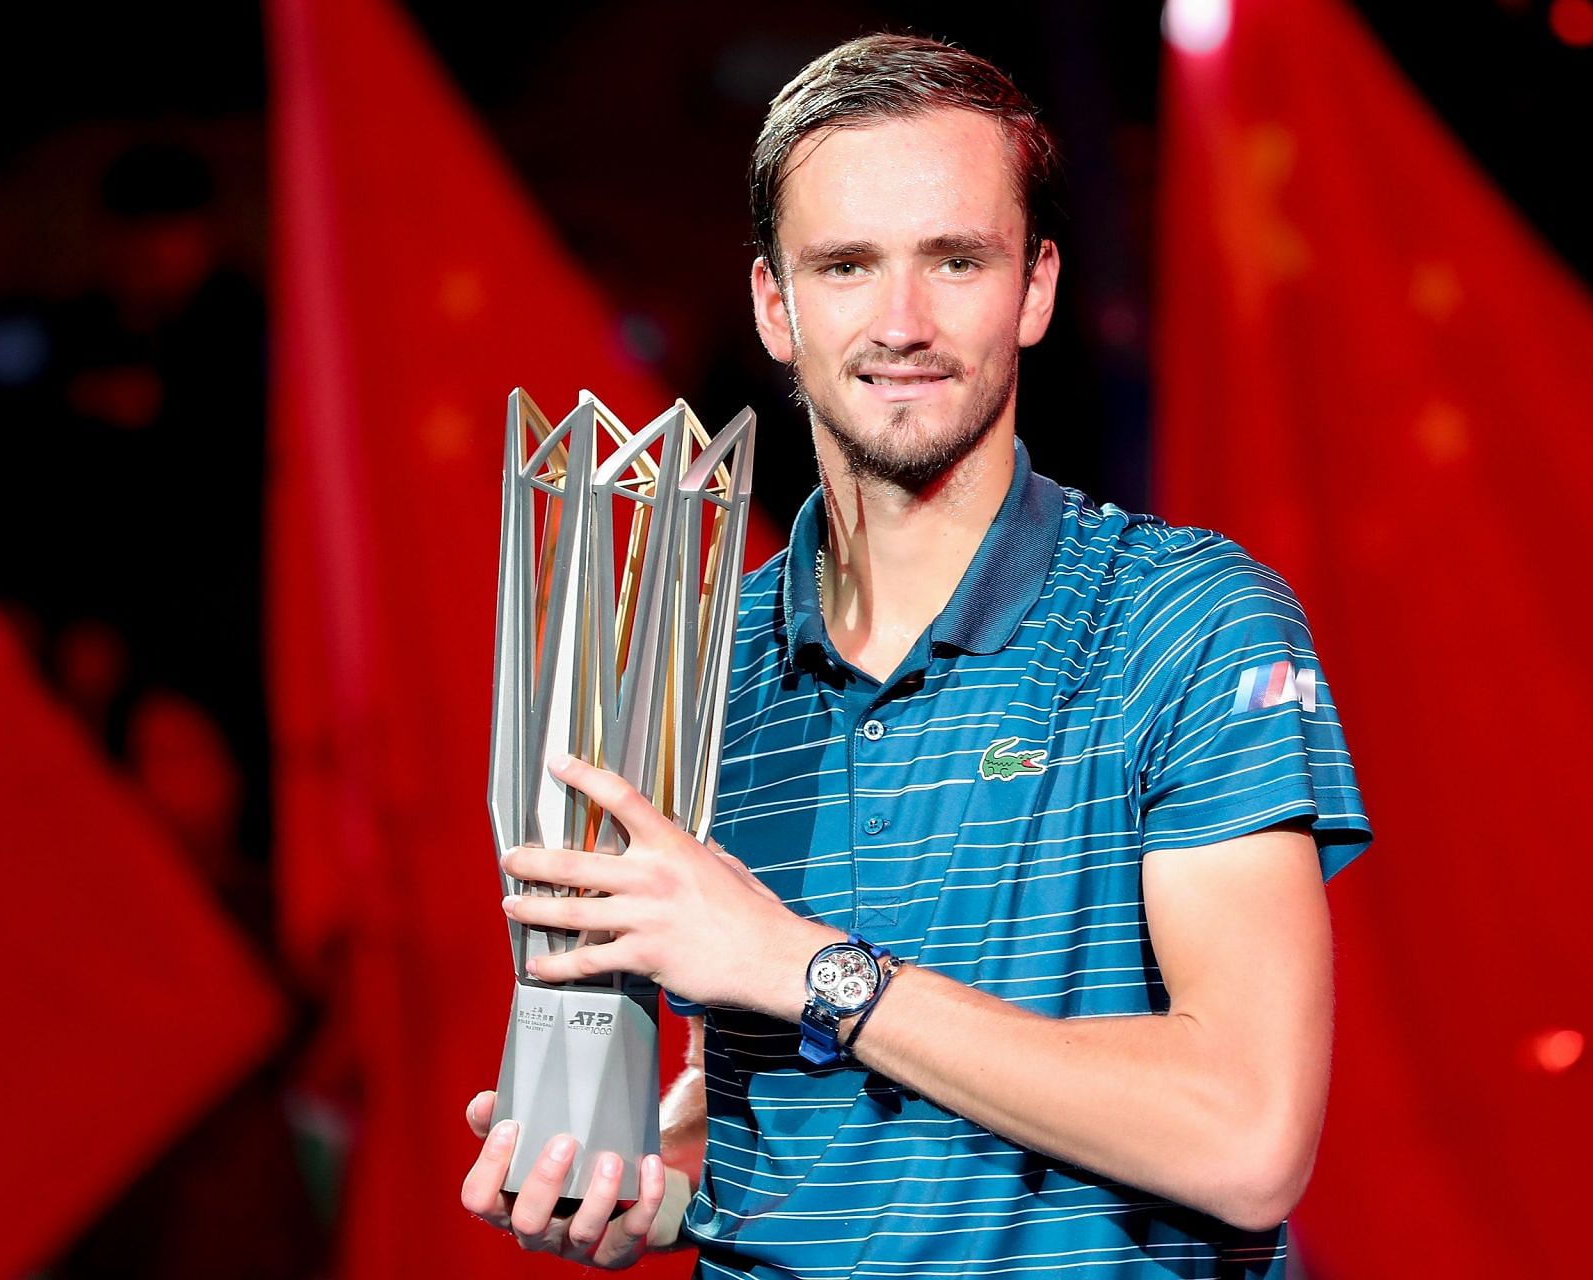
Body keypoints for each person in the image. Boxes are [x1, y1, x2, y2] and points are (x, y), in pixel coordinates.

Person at [461, 33, 1370, 1278]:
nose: (903, 322)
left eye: (956, 259)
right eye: (847, 266)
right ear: (776, 307)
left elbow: (1245, 1131)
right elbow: (741, 1084)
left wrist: (806, 965)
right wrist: (643, 1175)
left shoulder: (1191, 623)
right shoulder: (701, 665)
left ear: (1035, 288)